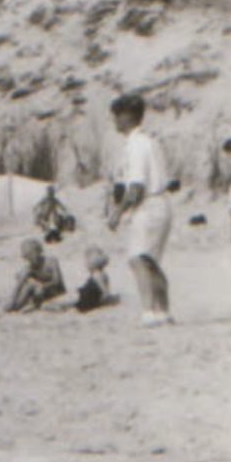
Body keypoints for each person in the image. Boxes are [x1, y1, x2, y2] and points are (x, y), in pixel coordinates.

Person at [106, 93, 175, 327]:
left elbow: (136, 187)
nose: (114, 120)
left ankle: (148, 311)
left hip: (149, 205)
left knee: (138, 259)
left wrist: (117, 212)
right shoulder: (149, 141)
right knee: (151, 261)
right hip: (162, 203)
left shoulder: (136, 144)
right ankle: (162, 310)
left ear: (126, 117)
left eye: (117, 115)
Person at [6, 238, 67, 312]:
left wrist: (43, 286)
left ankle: (26, 305)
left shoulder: (51, 261)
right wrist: (12, 301)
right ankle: (16, 306)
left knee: (33, 286)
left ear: (39, 251)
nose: (31, 258)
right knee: (28, 285)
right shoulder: (29, 268)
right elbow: (18, 287)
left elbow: (57, 281)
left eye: (32, 254)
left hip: (55, 290)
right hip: (39, 293)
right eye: (28, 256)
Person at [72, 247, 118, 313]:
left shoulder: (97, 275)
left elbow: (104, 293)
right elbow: (106, 290)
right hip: (92, 297)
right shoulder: (103, 274)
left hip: (91, 299)